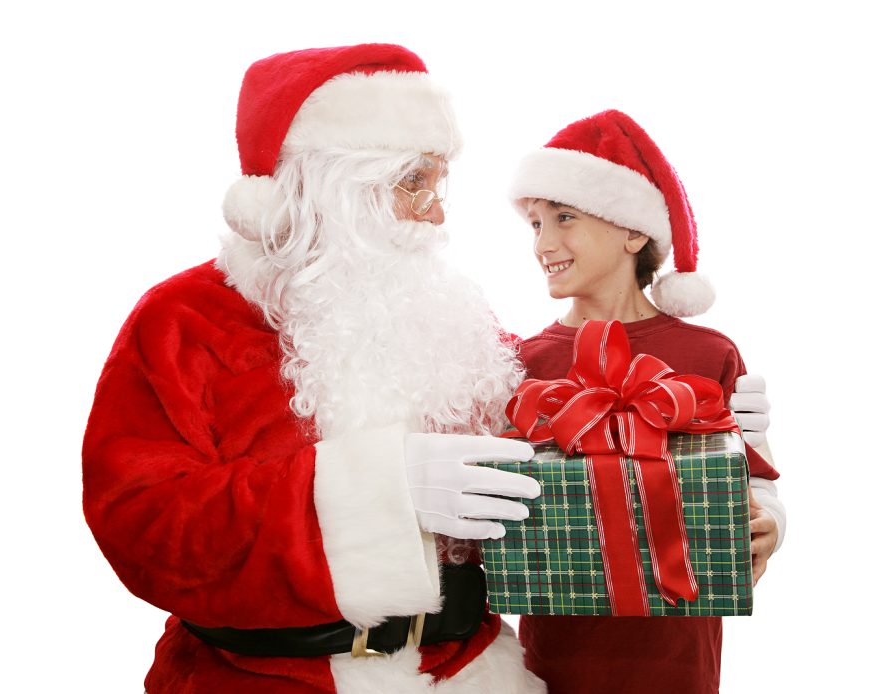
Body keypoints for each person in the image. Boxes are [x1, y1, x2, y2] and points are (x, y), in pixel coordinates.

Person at [82, 44, 547, 694]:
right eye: (414, 183)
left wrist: (721, 446)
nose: (437, 213)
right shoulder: (183, 320)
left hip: (470, 672)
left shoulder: (448, 318)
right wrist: (376, 490)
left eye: (439, 185)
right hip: (260, 680)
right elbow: (143, 527)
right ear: (334, 185)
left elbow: (581, 420)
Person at [506, 109, 786, 694]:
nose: (544, 243)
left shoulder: (709, 353)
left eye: (564, 218)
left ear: (634, 233)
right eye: (535, 224)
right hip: (553, 658)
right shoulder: (523, 362)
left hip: (677, 657)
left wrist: (769, 527)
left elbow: (754, 480)